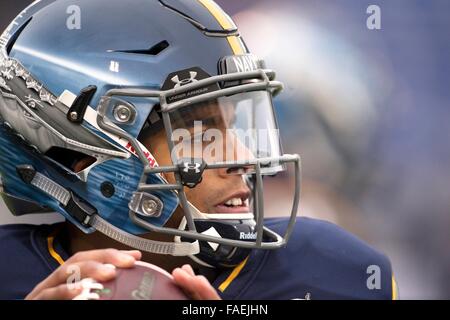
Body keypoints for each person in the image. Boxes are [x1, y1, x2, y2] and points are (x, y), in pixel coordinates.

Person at [0, 0, 397, 300]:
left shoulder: (329, 273)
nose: (243, 156)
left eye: (236, 122)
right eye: (198, 129)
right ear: (82, 155)